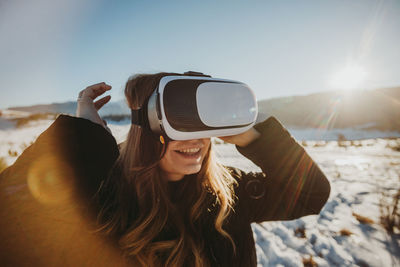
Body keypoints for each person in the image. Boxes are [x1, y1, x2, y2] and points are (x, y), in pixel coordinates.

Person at [0, 72, 330, 267]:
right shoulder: (102, 195)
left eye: (202, 124)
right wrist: (84, 139)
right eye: (181, 122)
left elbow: (312, 194)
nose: (197, 139)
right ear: (146, 125)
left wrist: (251, 136)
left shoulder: (230, 192)